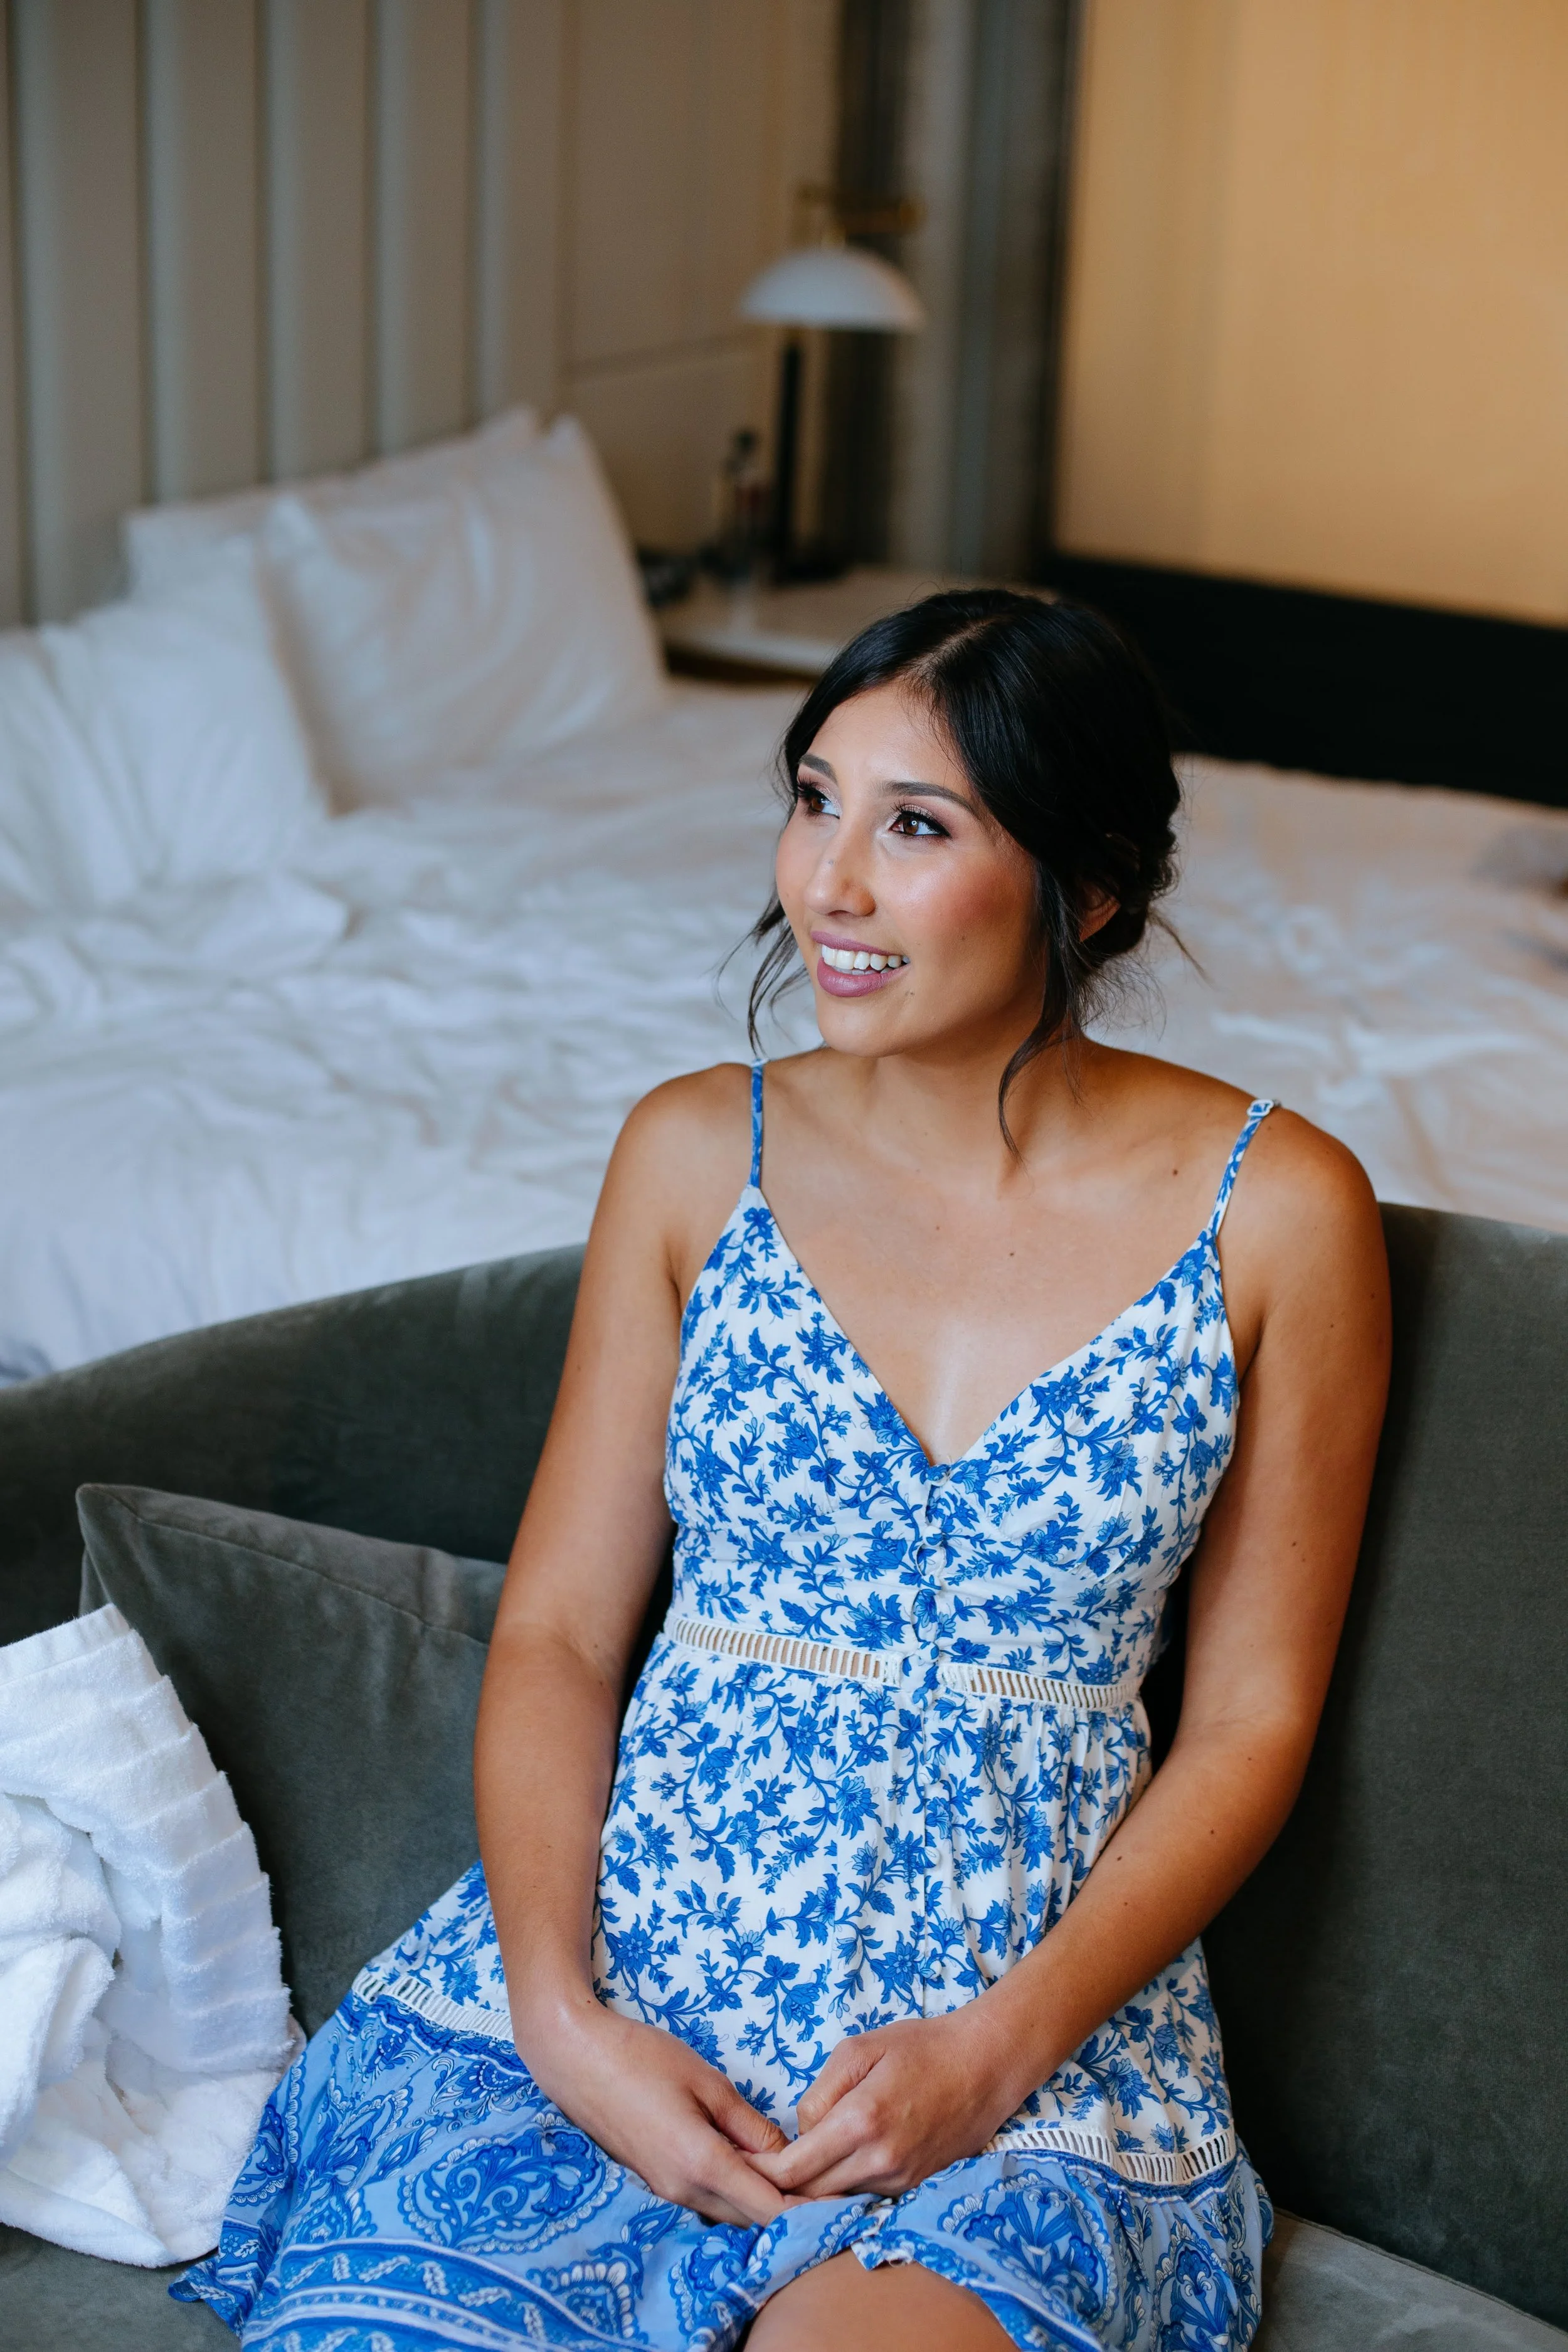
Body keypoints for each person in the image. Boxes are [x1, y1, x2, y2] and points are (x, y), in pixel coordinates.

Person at [177, 591, 1391, 2350]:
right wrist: (561, 2019)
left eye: (915, 825)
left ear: (1094, 884)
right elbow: (564, 1634)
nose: (826, 882)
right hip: (629, 2005)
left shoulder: (1277, 1211)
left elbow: (1251, 1722)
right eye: (813, 797)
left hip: (1017, 2072)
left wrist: (993, 2051)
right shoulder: (691, 1154)